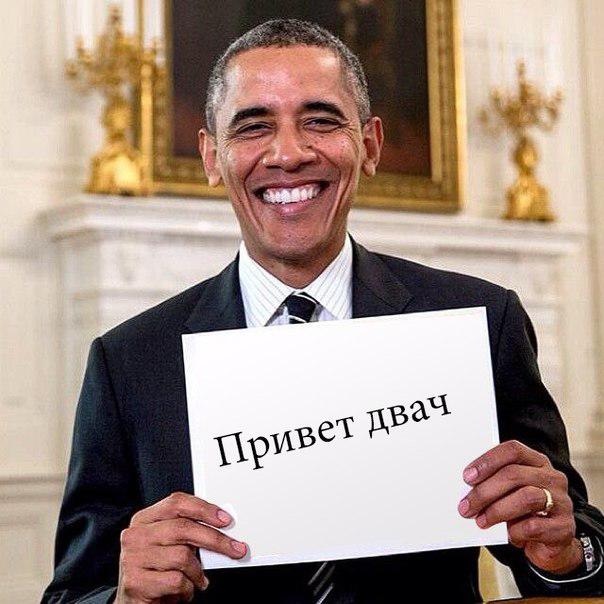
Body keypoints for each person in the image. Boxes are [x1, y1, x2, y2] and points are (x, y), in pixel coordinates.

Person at [43, 19, 604, 603]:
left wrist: (563, 551)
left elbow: (579, 546)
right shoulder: (129, 362)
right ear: (212, 156)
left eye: (320, 120)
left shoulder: (483, 321)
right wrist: (124, 597)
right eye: (254, 126)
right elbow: (71, 592)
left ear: (370, 145)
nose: (288, 153)